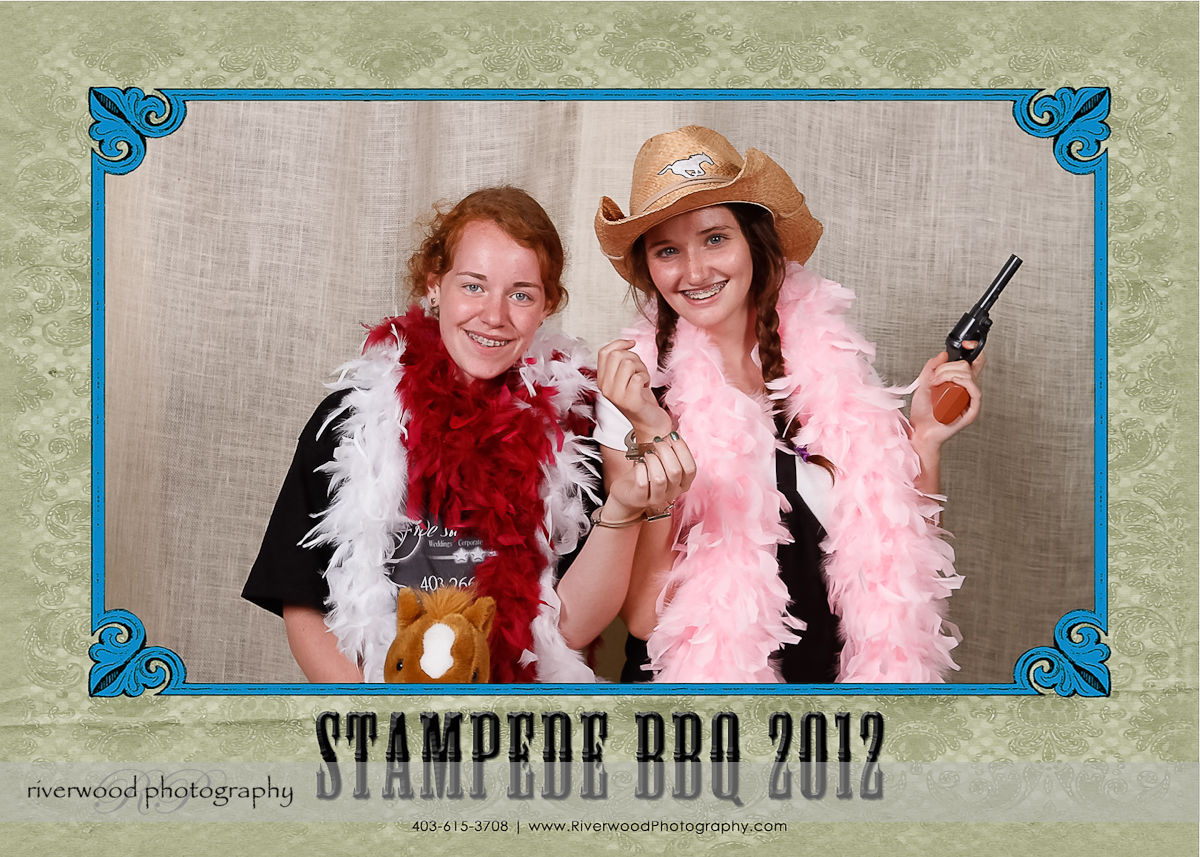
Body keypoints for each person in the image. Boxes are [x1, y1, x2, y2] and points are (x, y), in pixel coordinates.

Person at [243, 186, 694, 683]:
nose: (494, 316)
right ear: (435, 285)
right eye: (473, 286)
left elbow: (569, 629)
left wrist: (624, 510)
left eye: (521, 294)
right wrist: (373, 719)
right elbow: (303, 605)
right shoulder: (352, 420)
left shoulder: (573, 435)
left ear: (547, 307)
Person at [592, 126, 983, 683]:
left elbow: (901, 559)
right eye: (668, 250)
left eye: (715, 238)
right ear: (649, 268)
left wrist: (923, 437)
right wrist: (656, 432)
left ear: (754, 240)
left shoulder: (829, 358)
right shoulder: (635, 388)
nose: (696, 271)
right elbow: (642, 617)